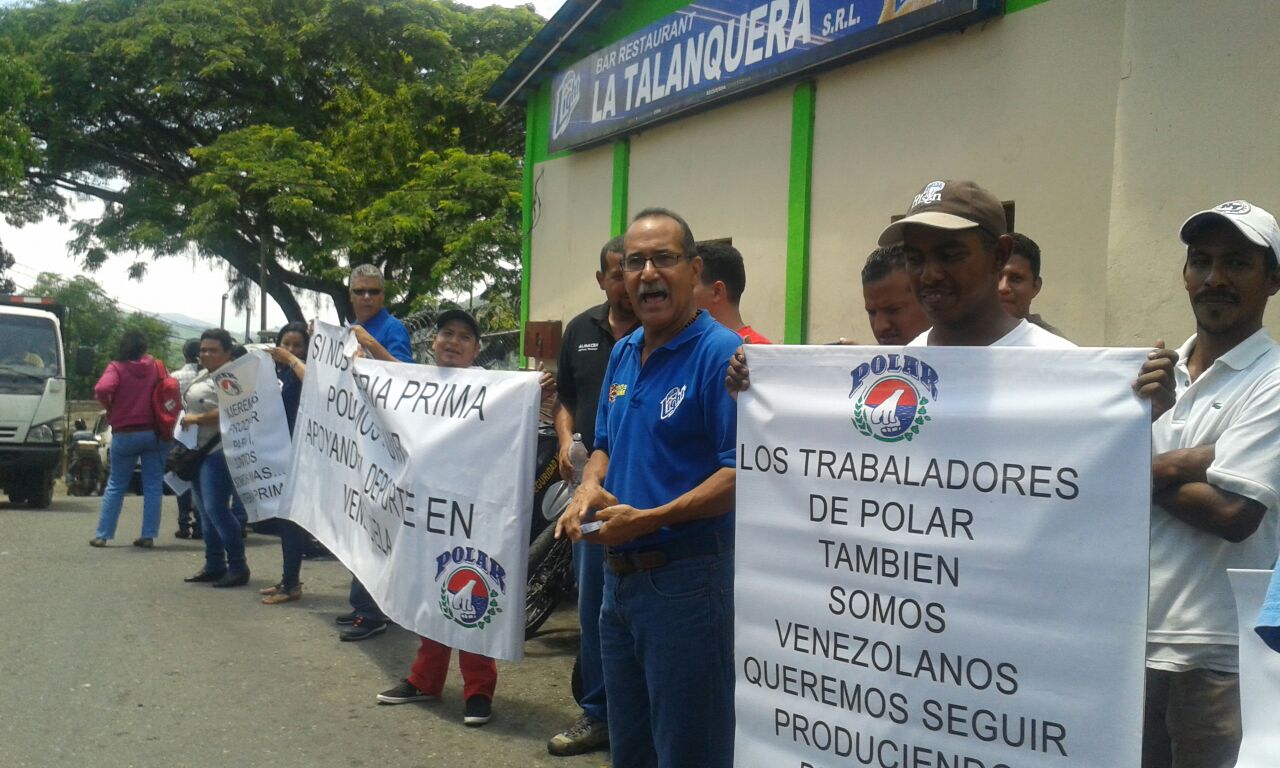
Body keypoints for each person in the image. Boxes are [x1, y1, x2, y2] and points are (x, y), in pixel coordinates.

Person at [558, 208, 741, 767]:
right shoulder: (623, 351)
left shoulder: (721, 355)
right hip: (617, 585)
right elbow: (604, 446)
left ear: (694, 270)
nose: (646, 273)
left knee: (689, 749)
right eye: (634, 262)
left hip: (688, 583)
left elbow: (741, 472)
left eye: (663, 258)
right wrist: (588, 487)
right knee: (630, 748)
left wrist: (653, 517)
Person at [727, 180, 1175, 401]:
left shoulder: (1062, 367)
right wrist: (765, 389)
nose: (930, 274)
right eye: (916, 258)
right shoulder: (899, 367)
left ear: (999, 256)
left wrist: (1138, 418)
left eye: (950, 254)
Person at [1143, 200, 1280, 768]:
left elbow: (1233, 515)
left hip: (1217, 653)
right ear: (1184, 275)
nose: (1214, 278)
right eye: (1201, 261)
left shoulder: (1273, 381)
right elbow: (1083, 482)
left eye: (1237, 263)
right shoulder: (1150, 373)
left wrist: (1136, 468)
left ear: (1273, 280)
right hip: (1128, 643)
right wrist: (1191, 461)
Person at [374, 309, 498, 726]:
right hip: (427, 512)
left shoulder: (494, 389)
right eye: (447, 333)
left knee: (471, 597)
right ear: (433, 341)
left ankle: (478, 692)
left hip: (473, 513)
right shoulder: (416, 385)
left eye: (465, 336)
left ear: (476, 349)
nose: (454, 342)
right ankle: (424, 680)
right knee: (428, 594)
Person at [545, 235, 639, 757]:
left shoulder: (659, 330)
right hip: (590, 492)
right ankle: (599, 713)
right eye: (616, 271)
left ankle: (637, 714)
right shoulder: (580, 330)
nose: (627, 279)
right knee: (594, 606)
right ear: (602, 279)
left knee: (642, 606)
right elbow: (566, 399)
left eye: (633, 268)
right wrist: (564, 441)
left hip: (646, 489)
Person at [337, 263, 413, 641]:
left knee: (373, 527)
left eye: (374, 292)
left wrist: (372, 347)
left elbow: (407, 379)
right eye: (360, 292)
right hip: (356, 440)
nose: (367, 298)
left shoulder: (391, 330)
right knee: (357, 523)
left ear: (384, 296)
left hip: (381, 444)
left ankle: (372, 612)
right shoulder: (346, 332)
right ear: (350, 295)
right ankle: (360, 604)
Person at [180, 328, 250, 588]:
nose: (206, 354)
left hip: (219, 451)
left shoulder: (232, 377)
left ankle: (238, 566)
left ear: (227, 353)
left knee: (218, 510)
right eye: (203, 349)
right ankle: (214, 564)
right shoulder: (203, 375)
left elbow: (232, 409)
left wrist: (197, 418)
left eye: (213, 350)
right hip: (196, 449)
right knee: (204, 512)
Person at [89, 330, 168, 548]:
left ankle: (103, 534)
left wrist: (110, 406)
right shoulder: (156, 366)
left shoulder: (117, 367)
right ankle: (148, 535)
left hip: (125, 433)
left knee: (116, 484)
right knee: (152, 485)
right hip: (155, 432)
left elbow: (103, 388)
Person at [261, 322, 311, 605]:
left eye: (297, 346)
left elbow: (314, 383)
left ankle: (291, 584)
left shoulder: (304, 371)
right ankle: (288, 578)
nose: (290, 350)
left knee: (291, 520)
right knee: (284, 519)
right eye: (285, 344)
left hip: (299, 453)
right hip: (278, 452)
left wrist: (292, 361)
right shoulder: (273, 372)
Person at [692, 241, 770, 343]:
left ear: (717, 292)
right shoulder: (693, 344)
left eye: (690, 286)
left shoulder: (756, 352)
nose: (681, 295)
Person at [998, 232, 1068, 338]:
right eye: (996, 277)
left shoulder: (1052, 346)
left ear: (1035, 287)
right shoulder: (966, 338)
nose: (1003, 287)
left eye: (1016, 278)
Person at [861, 244, 932, 345]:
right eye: (872, 313)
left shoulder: (960, 357)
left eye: (893, 310)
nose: (879, 327)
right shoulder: (862, 359)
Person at [172, 339, 203, 540]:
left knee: (181, 476)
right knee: (200, 481)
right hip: (204, 433)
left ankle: (184, 524)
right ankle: (200, 525)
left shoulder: (174, 377)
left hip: (181, 433)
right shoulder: (206, 378)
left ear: (184, 355)